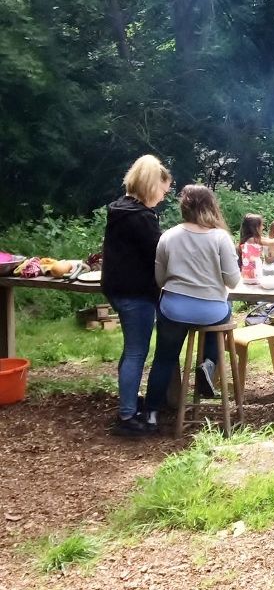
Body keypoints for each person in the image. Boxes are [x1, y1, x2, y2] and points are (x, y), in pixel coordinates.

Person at [144, 185, 241, 426]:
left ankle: (152, 414)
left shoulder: (168, 236)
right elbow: (233, 280)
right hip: (211, 310)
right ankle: (208, 364)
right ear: (212, 206)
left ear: (184, 207)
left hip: (174, 308)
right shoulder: (220, 238)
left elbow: (159, 279)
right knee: (223, 313)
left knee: (164, 358)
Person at [101, 154, 172, 437]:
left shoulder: (121, 209)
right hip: (135, 293)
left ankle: (128, 403)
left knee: (131, 349)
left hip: (117, 289)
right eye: (163, 191)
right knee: (135, 352)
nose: (164, 197)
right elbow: (158, 254)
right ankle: (127, 417)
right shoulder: (141, 217)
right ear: (151, 185)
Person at [238, 214, 274, 280]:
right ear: (255, 227)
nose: (263, 227)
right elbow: (272, 242)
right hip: (251, 269)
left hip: (255, 267)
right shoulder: (252, 239)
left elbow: (270, 240)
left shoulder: (256, 238)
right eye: (261, 225)